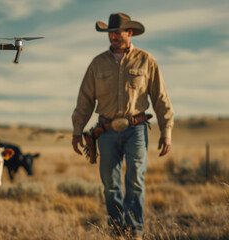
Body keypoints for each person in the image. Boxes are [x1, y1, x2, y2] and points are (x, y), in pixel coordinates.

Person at [71, 13, 174, 239]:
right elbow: (85, 99)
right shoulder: (97, 64)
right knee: (110, 184)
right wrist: (78, 130)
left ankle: (136, 228)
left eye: (117, 32)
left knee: (136, 180)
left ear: (129, 33)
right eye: (110, 32)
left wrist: (166, 131)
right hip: (106, 131)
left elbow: (160, 98)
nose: (113, 36)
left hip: (135, 129)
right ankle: (117, 229)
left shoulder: (146, 61)